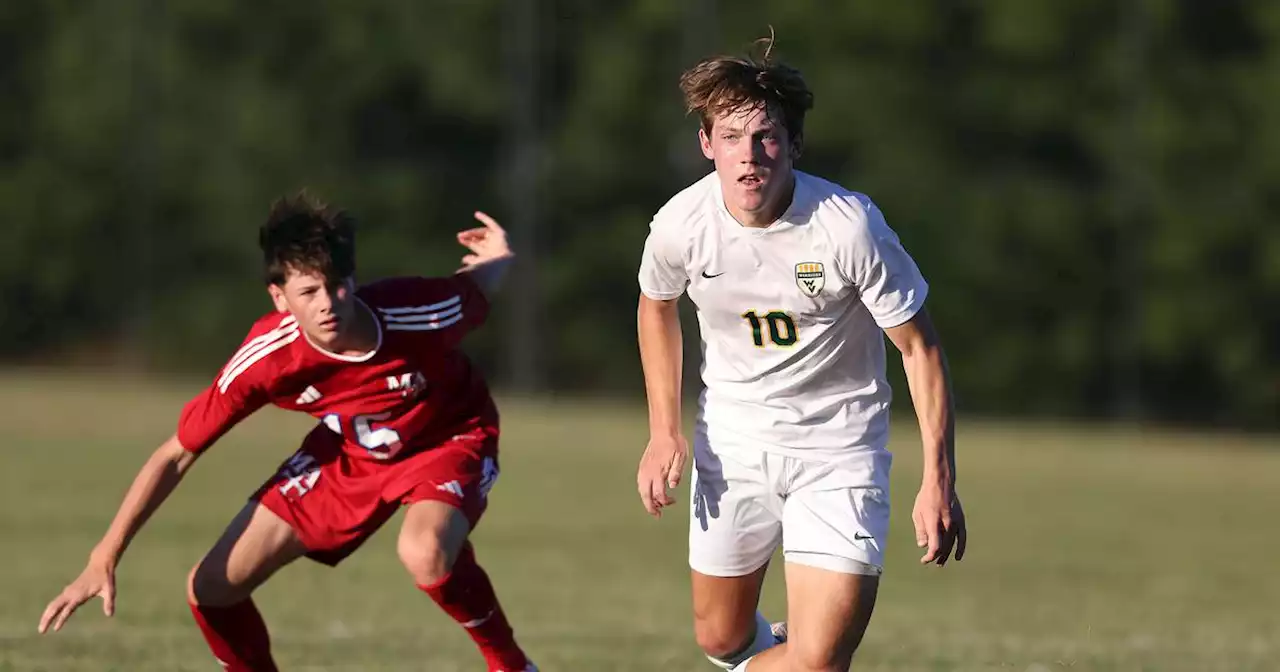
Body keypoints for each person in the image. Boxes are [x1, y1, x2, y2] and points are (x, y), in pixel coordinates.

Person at [37, 193, 537, 672]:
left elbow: (470, 291)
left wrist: (498, 258)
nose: (328, 303)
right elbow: (176, 454)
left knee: (423, 552)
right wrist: (104, 555)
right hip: (350, 454)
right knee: (210, 589)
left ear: (353, 278)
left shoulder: (415, 313)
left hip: (447, 437)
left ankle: (511, 666)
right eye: (308, 292)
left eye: (337, 283)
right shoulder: (268, 360)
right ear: (279, 298)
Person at [635, 34, 967, 672]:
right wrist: (661, 431)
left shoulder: (848, 225)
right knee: (723, 640)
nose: (749, 156)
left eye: (765, 137)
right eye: (730, 138)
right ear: (707, 146)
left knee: (816, 662)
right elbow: (656, 305)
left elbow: (920, 349)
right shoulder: (681, 224)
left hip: (837, 453)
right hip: (732, 445)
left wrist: (939, 478)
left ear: (793, 145)